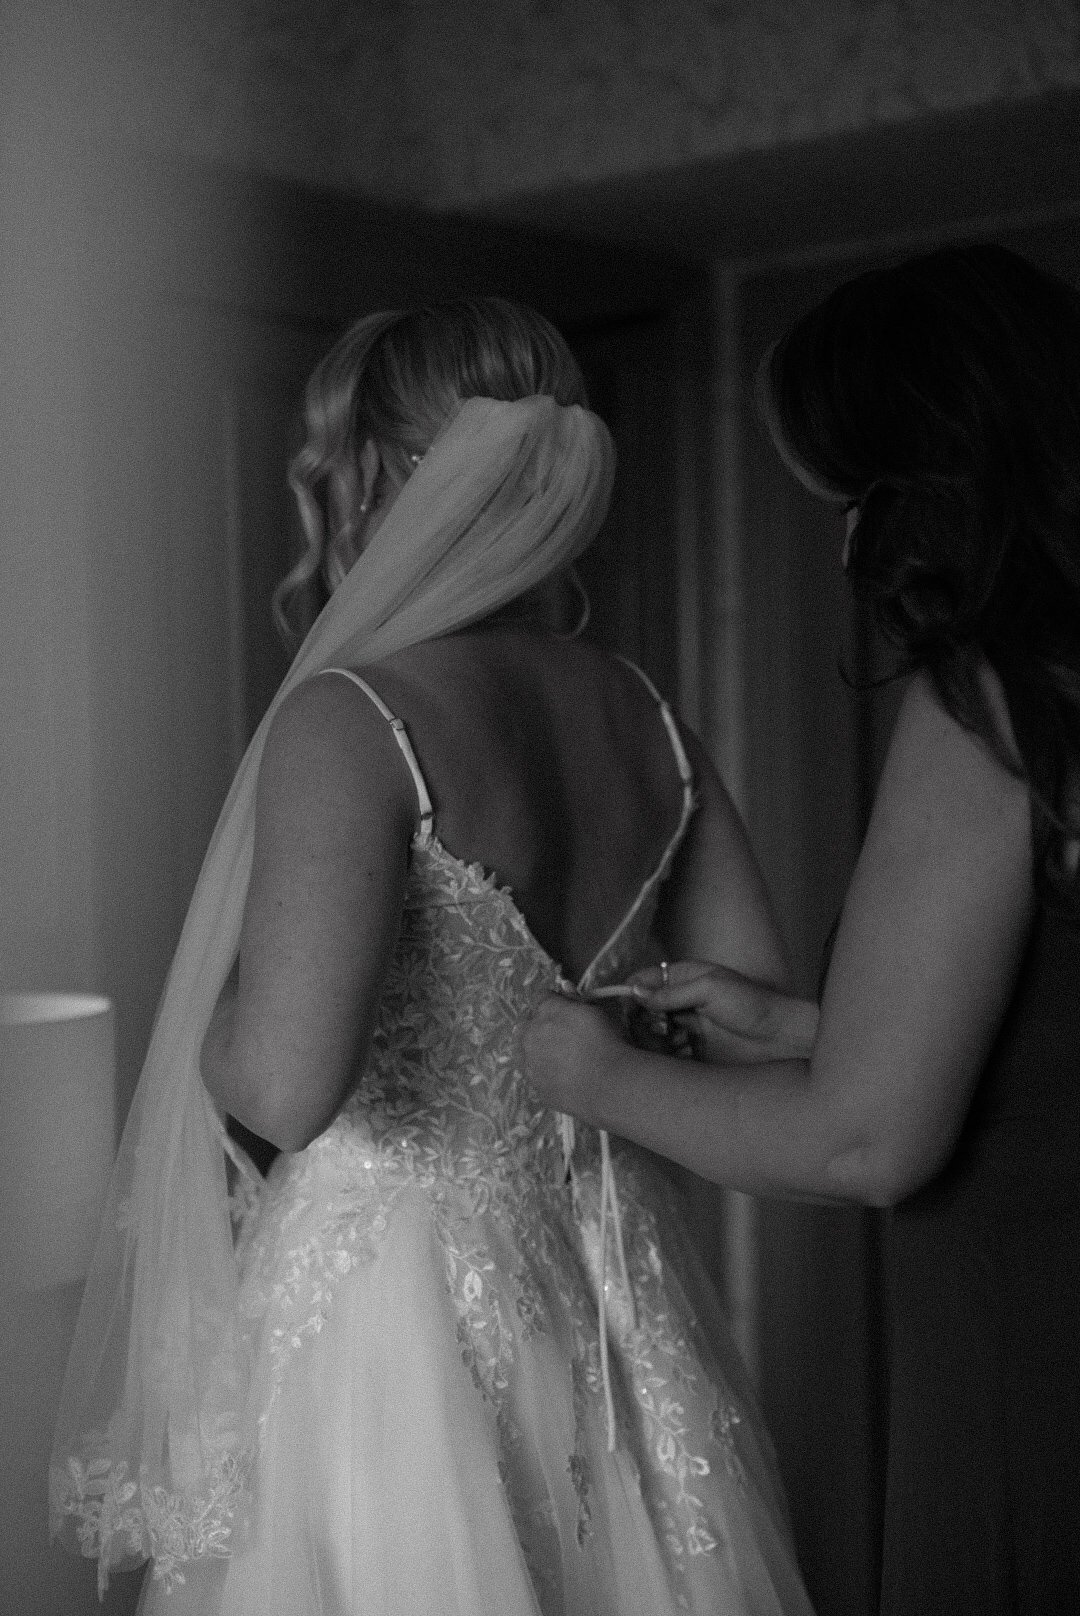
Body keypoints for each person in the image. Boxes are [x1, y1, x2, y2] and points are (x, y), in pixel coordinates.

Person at [50, 297, 815, 1615]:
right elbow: (746, 1000)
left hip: (396, 1312)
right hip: (609, 1290)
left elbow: (283, 1086)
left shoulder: (355, 717)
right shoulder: (643, 713)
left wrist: (220, 1000)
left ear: (392, 475)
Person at [522, 244, 1080, 1615]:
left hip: (1033, 1348)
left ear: (923, 485)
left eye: (850, 502)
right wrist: (815, 1026)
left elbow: (866, 1141)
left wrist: (586, 1074)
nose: (846, 551)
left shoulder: (995, 704)